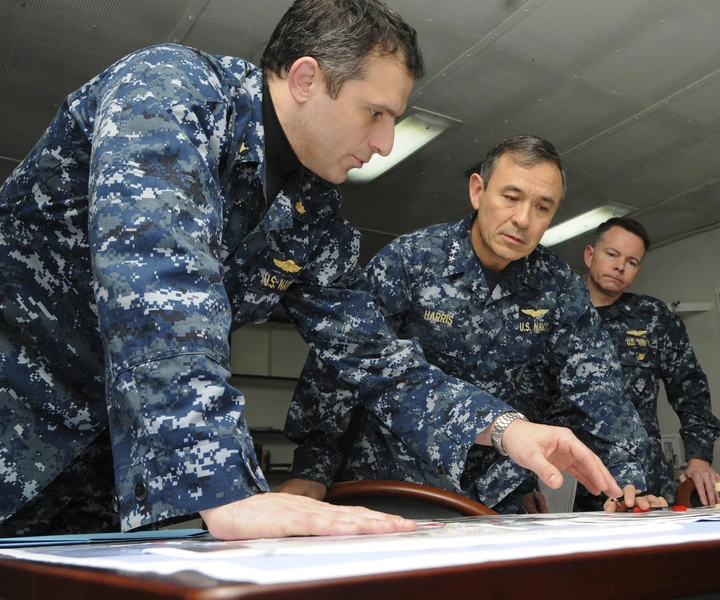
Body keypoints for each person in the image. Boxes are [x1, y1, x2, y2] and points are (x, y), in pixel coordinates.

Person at [0, 1, 619, 541]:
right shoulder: (170, 92)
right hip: (18, 413)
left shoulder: (312, 209)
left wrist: (504, 428)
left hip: (103, 463)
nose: (383, 143)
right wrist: (221, 489)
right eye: (376, 114)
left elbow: (371, 355)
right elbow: (159, 288)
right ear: (305, 79)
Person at [281, 135, 662, 513]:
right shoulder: (412, 260)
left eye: (542, 207)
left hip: (497, 491)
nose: (523, 220)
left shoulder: (558, 286)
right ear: (478, 191)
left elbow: (599, 386)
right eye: (511, 198)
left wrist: (626, 482)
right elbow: (342, 362)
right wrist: (313, 468)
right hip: (396, 481)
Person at [583, 217, 720, 506]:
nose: (620, 266)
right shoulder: (557, 315)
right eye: (611, 254)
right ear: (590, 255)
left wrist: (699, 457)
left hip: (641, 482)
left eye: (631, 261)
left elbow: (690, 387)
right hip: (568, 480)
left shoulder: (652, 316)